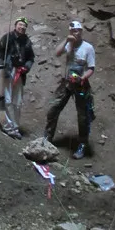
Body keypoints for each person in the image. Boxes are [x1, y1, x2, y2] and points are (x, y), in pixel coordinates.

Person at [44, 20, 96, 159]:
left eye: (78, 31)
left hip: (81, 84)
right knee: (54, 108)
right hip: (66, 82)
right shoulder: (68, 44)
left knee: (83, 116)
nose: (76, 33)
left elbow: (91, 68)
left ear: (81, 32)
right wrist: (66, 40)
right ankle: (47, 138)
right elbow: (57, 52)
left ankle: (82, 145)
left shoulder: (88, 48)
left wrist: (82, 78)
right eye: (73, 31)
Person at [0, 17, 35, 139]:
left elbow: (31, 58)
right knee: (7, 100)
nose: (22, 27)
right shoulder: (7, 38)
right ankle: (9, 127)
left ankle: (15, 127)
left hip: (20, 72)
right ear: (15, 25)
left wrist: (26, 68)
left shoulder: (27, 41)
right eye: (20, 24)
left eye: (24, 25)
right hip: (8, 70)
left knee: (17, 102)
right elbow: (0, 54)